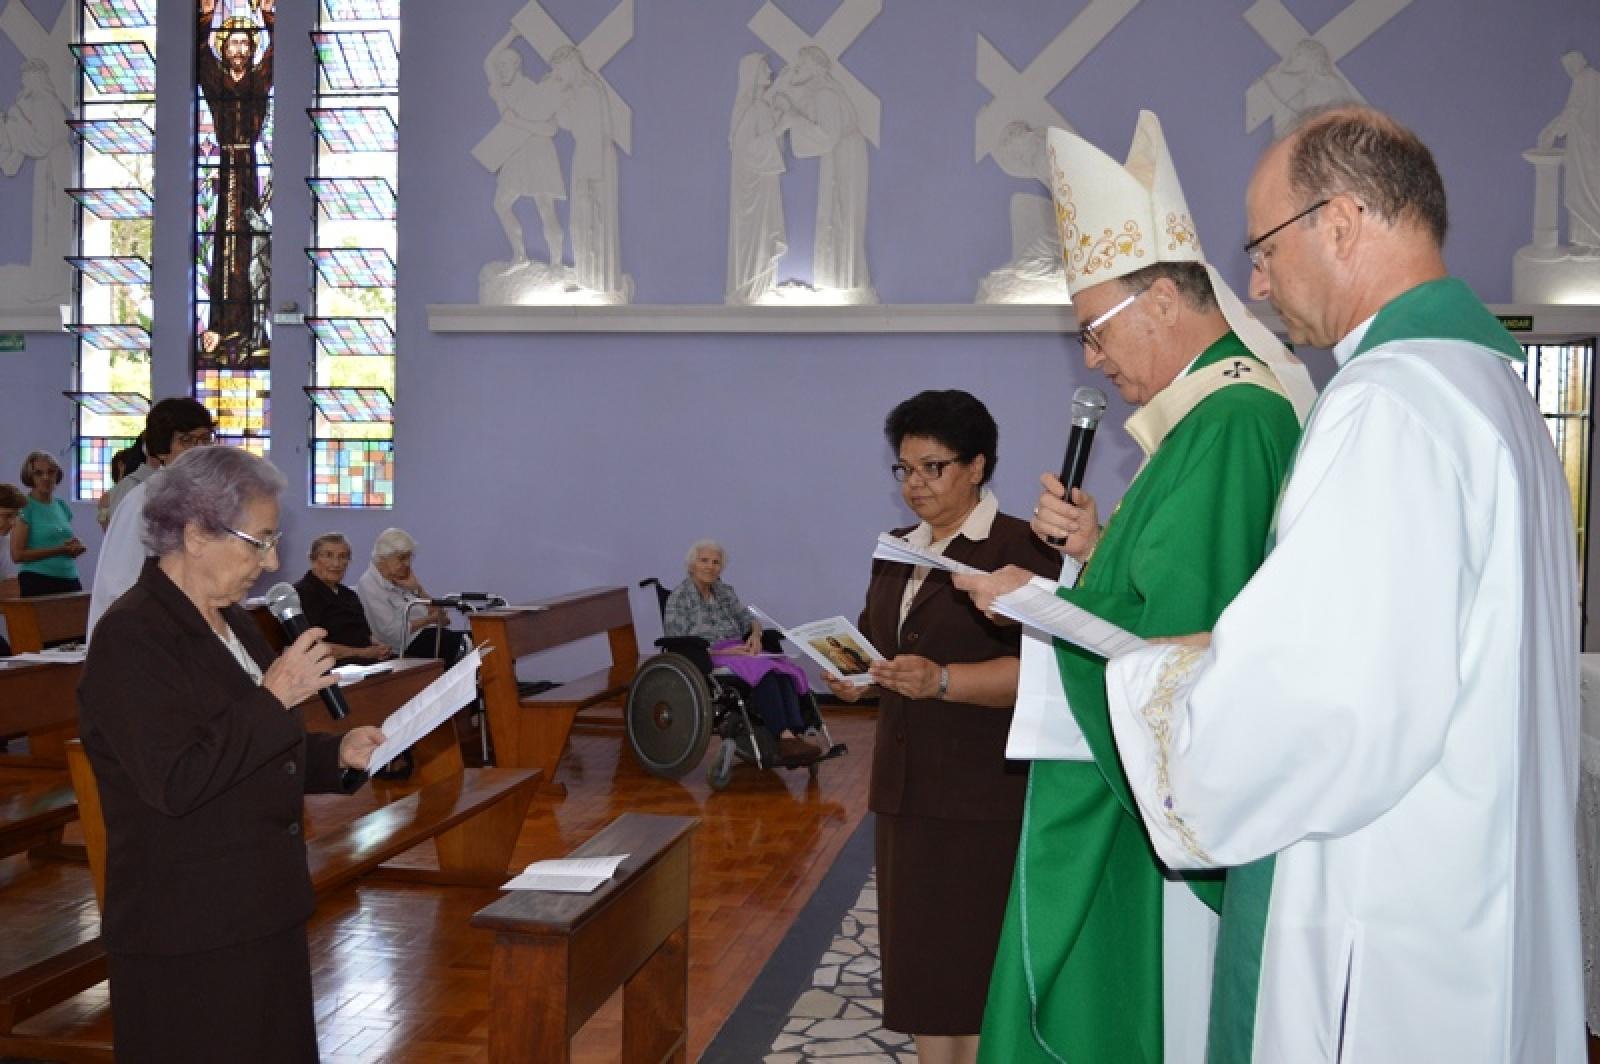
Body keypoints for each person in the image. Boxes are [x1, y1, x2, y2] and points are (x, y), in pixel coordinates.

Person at [1097, 106, 1583, 1062]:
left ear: (1344, 221)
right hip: (1473, 881)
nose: (1257, 281)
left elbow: (1326, 703)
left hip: (1386, 907)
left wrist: (1162, 681)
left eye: (1265, 246)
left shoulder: (1387, 403)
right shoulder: (1491, 388)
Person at [958, 111, 1313, 1064]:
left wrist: (1040, 609)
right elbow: (1163, 593)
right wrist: (1085, 561)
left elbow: (1188, 646)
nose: (1091, 360)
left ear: (1160, 298)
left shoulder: (1233, 421)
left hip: (1172, 819)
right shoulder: (1202, 423)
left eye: (1093, 330)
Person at [77, 445, 384, 1062]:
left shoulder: (231, 620)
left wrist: (335, 757)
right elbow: (177, 779)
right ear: (194, 533)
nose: (271, 562)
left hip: (258, 903)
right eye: (259, 541)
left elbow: (252, 746)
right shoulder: (132, 636)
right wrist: (277, 698)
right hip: (188, 929)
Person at [824, 389, 1058, 1064]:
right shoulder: (896, 547)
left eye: (934, 467)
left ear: (978, 466)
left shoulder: (1022, 549)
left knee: (977, 966)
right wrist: (856, 679)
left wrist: (945, 681)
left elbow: (1046, 674)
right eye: (904, 469)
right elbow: (882, 646)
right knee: (923, 964)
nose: (915, 485)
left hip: (985, 791)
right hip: (905, 790)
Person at [662, 538, 819, 762]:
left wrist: (755, 636)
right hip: (709, 655)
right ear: (691, 565)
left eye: (716, 562)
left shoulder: (725, 592)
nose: (710, 566)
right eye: (704, 560)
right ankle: (784, 736)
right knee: (764, 674)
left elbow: (749, 619)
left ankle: (795, 733)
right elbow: (678, 643)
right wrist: (727, 653)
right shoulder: (679, 598)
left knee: (782, 672)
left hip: (738, 651)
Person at [87, 398, 217, 641]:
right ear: (162, 449)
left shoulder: (208, 499)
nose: (199, 450)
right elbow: (120, 581)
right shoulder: (144, 502)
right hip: (145, 632)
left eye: (205, 439)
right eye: (186, 441)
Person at [196, 0, 274, 358]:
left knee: (249, 242)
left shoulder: (258, 79)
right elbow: (199, 54)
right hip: (226, 162)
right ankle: (221, 325)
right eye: (232, 43)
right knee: (222, 244)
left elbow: (278, 56)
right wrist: (206, 13)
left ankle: (247, 327)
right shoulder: (218, 81)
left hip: (249, 167)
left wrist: (271, 14)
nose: (239, 49)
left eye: (246, 43)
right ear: (223, 48)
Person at [775, 46, 872, 300]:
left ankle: (844, 280)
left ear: (815, 68)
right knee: (836, 217)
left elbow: (827, 136)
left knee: (842, 217)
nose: (797, 67)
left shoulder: (826, 95)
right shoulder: (819, 94)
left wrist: (793, 119)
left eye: (802, 64)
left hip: (844, 156)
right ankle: (838, 278)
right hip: (840, 155)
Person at [481, 32, 566, 265]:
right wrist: (511, 34)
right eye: (500, 66)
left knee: (545, 208)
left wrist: (518, 122)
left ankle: (556, 263)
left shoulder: (534, 91)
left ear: (517, 66)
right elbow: (488, 61)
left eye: (505, 64)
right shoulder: (500, 90)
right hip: (515, 152)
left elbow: (550, 129)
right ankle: (520, 256)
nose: (500, 69)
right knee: (500, 204)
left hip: (538, 151)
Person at [552, 45, 627, 299]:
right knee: (582, 223)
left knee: (592, 221)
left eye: (560, 71)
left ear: (570, 65)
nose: (559, 76)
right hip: (587, 158)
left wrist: (589, 179)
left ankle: (597, 281)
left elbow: (594, 134)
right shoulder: (579, 91)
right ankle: (588, 277)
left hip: (593, 163)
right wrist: (562, 96)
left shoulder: (588, 91)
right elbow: (566, 123)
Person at [726, 52, 788, 305]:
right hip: (752, 184)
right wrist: (781, 126)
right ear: (752, 75)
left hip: (763, 180)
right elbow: (748, 149)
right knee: (755, 233)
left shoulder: (758, 107)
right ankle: (751, 286)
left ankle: (763, 284)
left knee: (764, 230)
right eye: (764, 68)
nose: (769, 73)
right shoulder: (751, 110)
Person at [357, 528, 466, 662]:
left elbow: (444, 620)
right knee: (469, 645)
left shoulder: (403, 580)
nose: (407, 564)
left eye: (409, 558)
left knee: (482, 639)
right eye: (402, 558)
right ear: (383, 558)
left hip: (432, 636)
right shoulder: (369, 584)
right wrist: (429, 620)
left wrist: (418, 589)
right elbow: (392, 632)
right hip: (406, 644)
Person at [293, 533, 391, 665]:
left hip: (366, 660)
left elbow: (364, 634)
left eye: (342, 557)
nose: (336, 563)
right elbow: (313, 647)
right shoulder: (301, 594)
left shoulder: (349, 595)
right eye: (328, 555)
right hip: (333, 665)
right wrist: (363, 653)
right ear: (313, 559)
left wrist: (379, 647)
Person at [1540, 50, 1600, 248]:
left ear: (1575, 63)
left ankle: (1591, 241)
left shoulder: (1584, 79)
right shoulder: (1594, 78)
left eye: (1568, 66)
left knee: (1581, 192)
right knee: (1588, 191)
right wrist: (1552, 129)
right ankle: (1587, 242)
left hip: (1583, 150)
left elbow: (1572, 112)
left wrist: (1552, 133)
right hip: (1588, 147)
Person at [10, 450, 83, 597]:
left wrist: (76, 546)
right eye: (39, 473)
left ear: (57, 475)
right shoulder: (25, 506)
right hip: (39, 580)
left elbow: (61, 540)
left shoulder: (61, 505)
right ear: (30, 477)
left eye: (51, 472)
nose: (46, 477)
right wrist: (60, 550)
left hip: (69, 577)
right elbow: (17, 555)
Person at [0, 483, 22, 654]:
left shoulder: (4, 541)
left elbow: (12, 592)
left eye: (15, 516)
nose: (13, 523)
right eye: (7, 516)